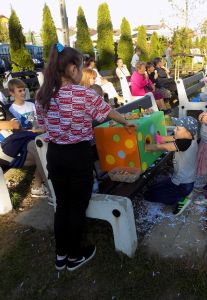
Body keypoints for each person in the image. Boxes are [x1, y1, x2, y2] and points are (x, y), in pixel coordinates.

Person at [35, 43, 135, 271]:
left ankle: (61, 256)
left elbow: (42, 125)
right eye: (79, 67)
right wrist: (126, 121)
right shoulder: (83, 93)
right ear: (71, 69)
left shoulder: (42, 95)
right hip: (78, 156)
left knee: (62, 205)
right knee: (77, 207)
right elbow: (107, 111)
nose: (81, 71)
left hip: (56, 156)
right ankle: (75, 256)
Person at [0, 79, 48, 197]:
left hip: (16, 141)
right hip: (7, 145)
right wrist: (8, 125)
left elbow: (15, 124)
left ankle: (41, 186)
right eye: (19, 90)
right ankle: (50, 188)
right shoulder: (11, 108)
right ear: (11, 93)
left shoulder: (4, 106)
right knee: (41, 149)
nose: (22, 93)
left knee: (42, 147)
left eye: (23, 90)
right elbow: (14, 125)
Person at [144, 116, 198, 216]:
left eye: (177, 128)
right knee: (153, 188)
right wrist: (160, 138)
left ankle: (181, 199)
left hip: (182, 184)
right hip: (181, 179)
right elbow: (173, 137)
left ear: (188, 133)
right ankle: (184, 194)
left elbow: (163, 147)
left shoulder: (184, 143)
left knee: (149, 195)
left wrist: (146, 147)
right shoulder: (190, 137)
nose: (174, 129)